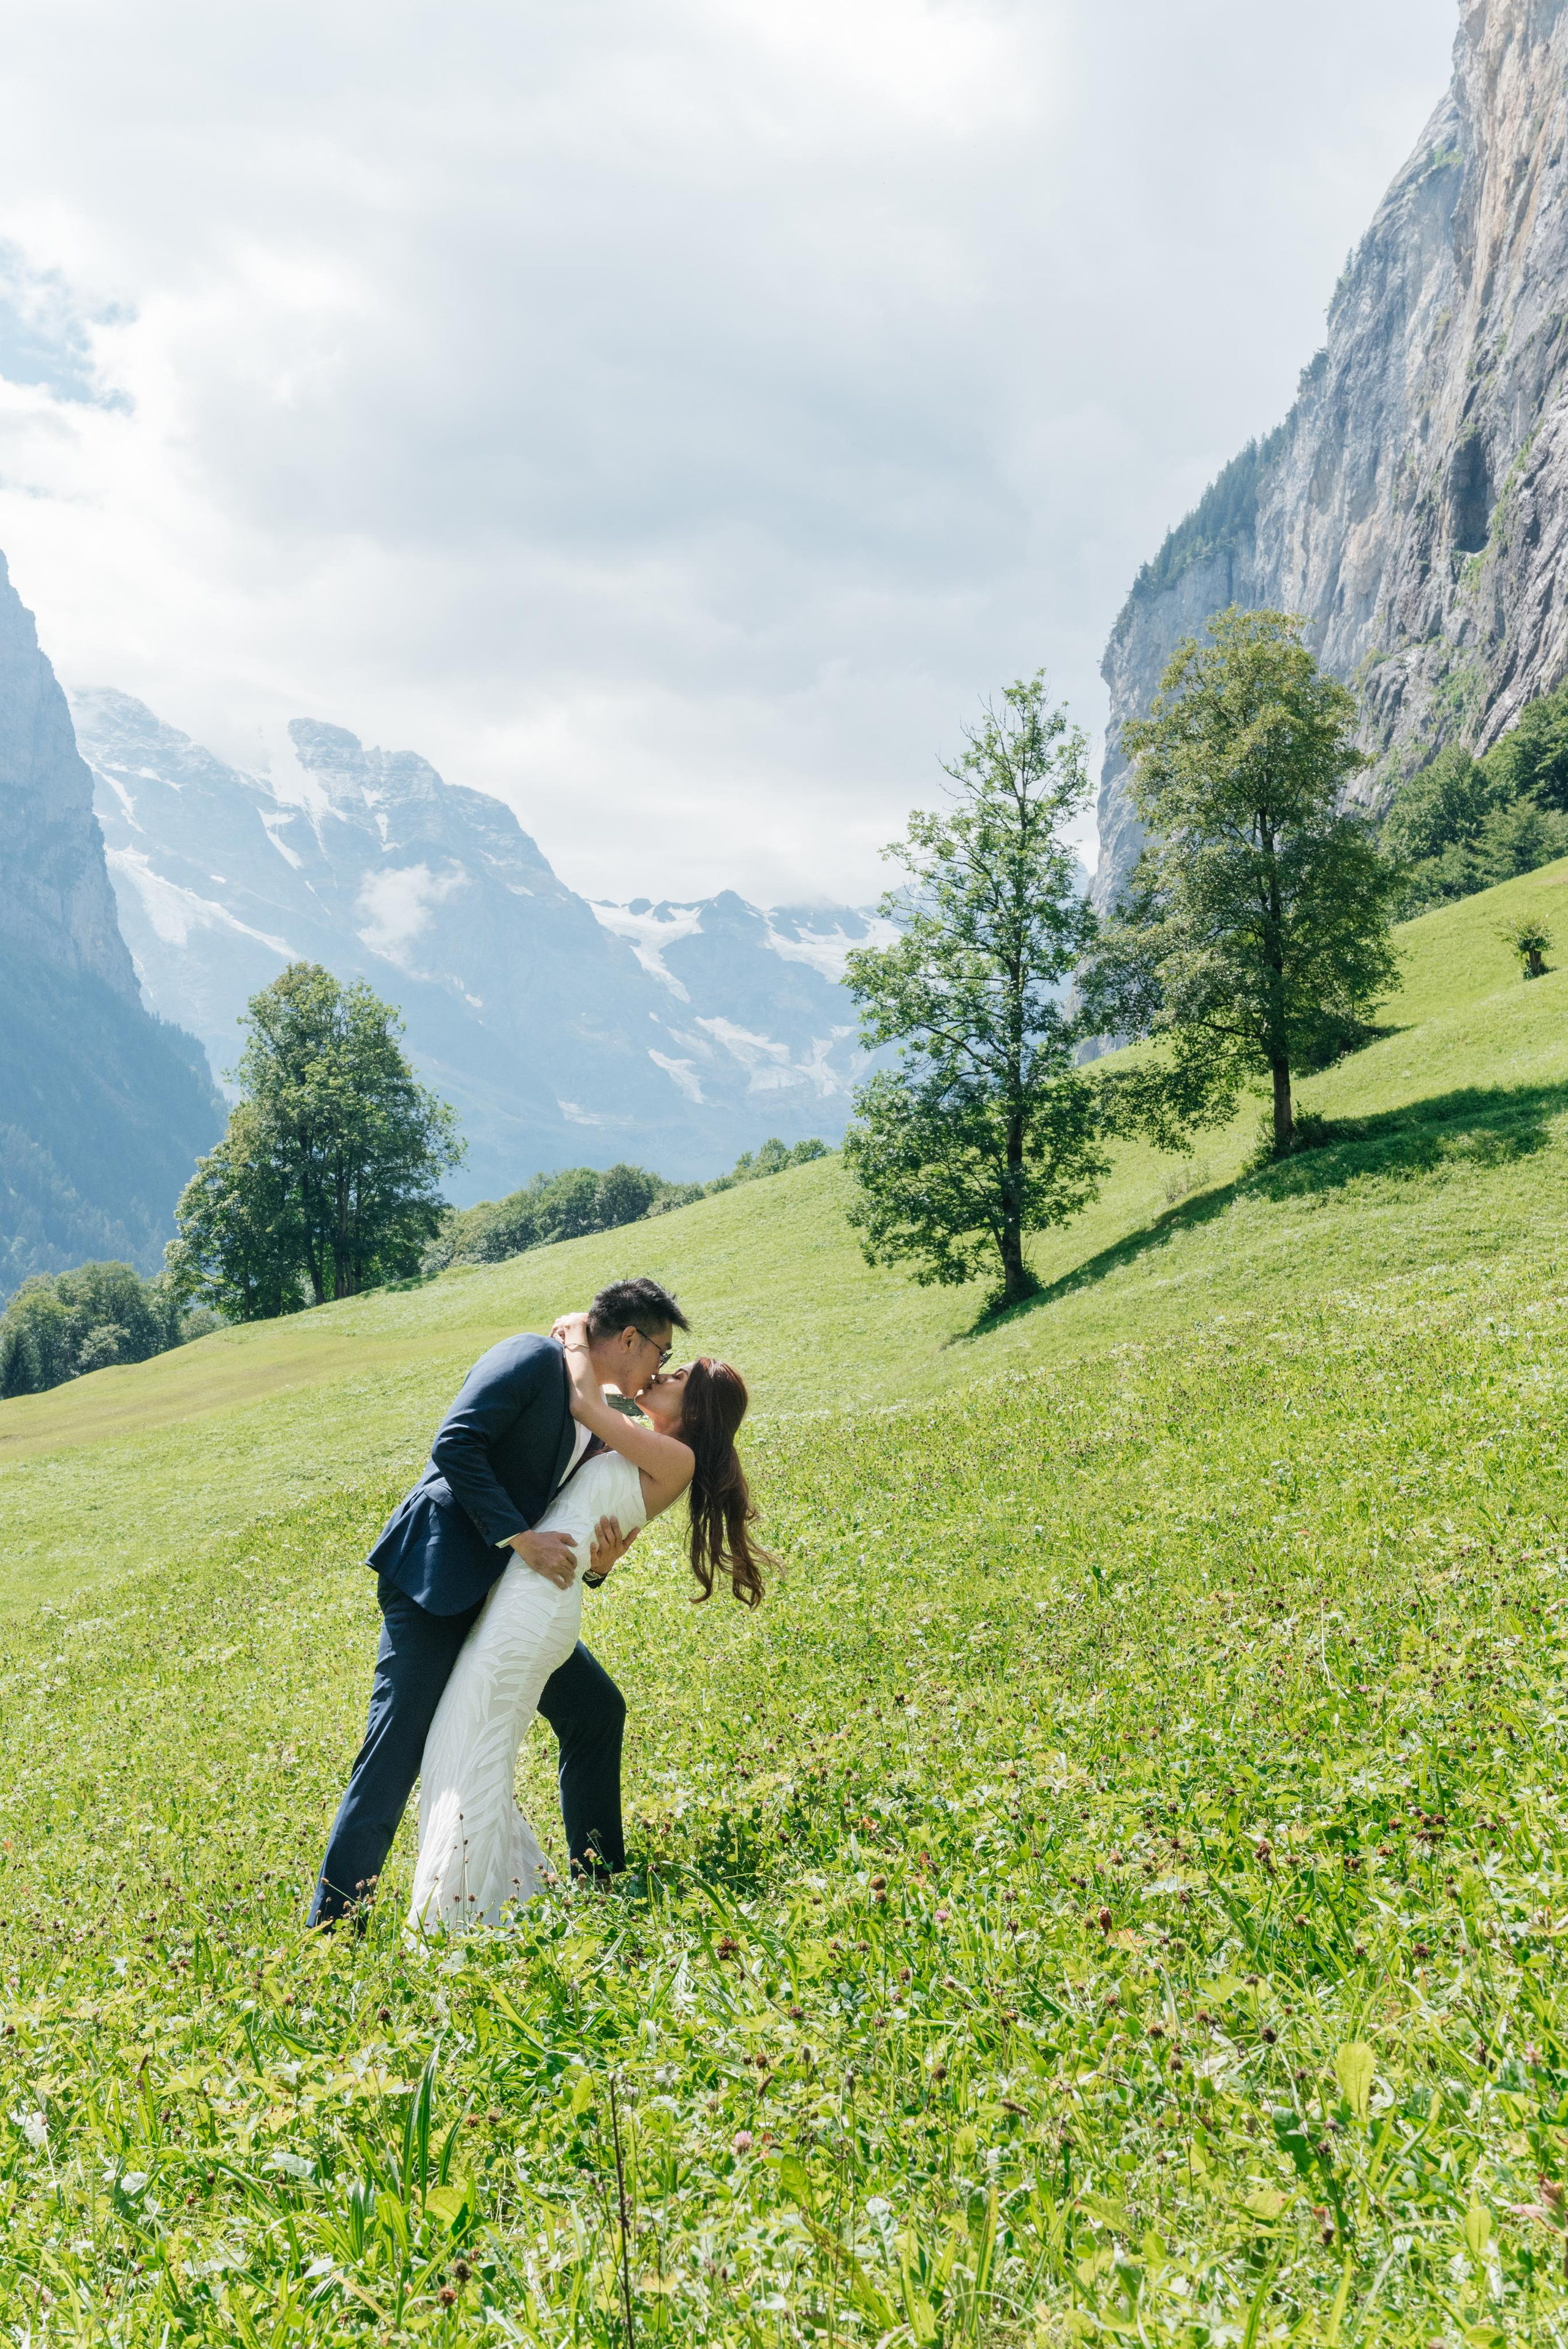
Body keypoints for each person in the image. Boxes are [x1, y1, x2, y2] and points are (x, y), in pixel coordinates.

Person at [307, 1276, 687, 1927]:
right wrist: (518, 1540)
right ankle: (333, 1930)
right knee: (393, 1753)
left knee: (596, 1711)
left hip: (507, 1598)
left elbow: (573, 1507)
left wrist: (597, 1566)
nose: (661, 1367)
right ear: (629, 1338)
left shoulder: (593, 1407)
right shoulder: (529, 1356)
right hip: (439, 1580)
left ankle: (600, 1882)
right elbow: (456, 1443)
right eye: (661, 1351)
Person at [409, 1313, 765, 1932]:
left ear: (698, 1410)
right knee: (477, 1734)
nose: (662, 1373)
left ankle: (464, 1913)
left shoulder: (671, 1455)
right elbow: (585, 1502)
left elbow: (580, 1399)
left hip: (536, 1603)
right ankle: (525, 1888)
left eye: (677, 1373)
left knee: (478, 1738)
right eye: (665, 1360)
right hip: (533, 1592)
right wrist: (599, 1567)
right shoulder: (637, 1439)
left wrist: (576, 1334)